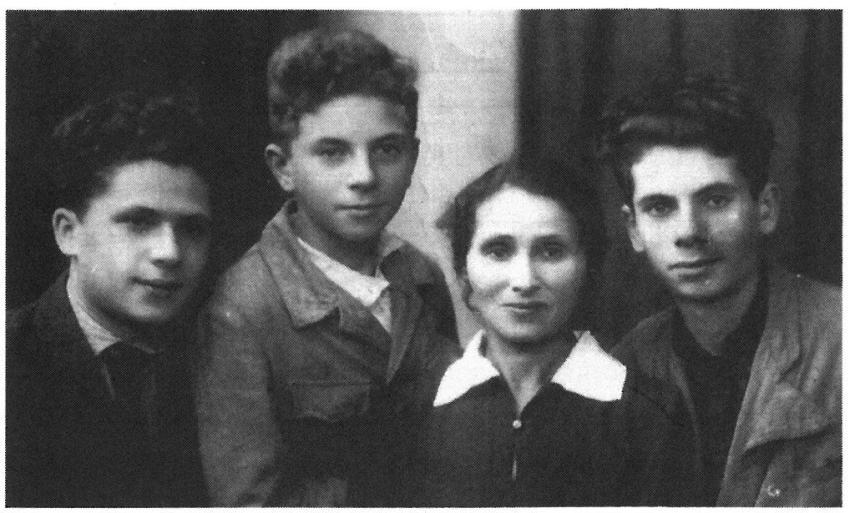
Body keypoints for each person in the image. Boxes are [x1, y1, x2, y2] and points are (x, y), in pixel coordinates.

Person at [195, 28, 459, 507]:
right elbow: (246, 501)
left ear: (413, 156)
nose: (364, 177)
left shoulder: (421, 278)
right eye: (333, 152)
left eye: (387, 149)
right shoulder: (242, 311)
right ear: (283, 168)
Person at [597, 74, 841, 506]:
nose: (689, 232)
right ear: (633, 229)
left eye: (715, 200)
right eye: (659, 207)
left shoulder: (845, 342)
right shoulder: (625, 368)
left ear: (765, 209)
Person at [408, 156, 693, 506]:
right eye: (498, 251)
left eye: (551, 251)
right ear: (464, 273)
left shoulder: (648, 414)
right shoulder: (415, 409)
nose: (525, 281)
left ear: (587, 269)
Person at [6, 91, 219, 506]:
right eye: (139, 222)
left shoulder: (222, 353)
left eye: (192, 229)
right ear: (69, 232)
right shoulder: (9, 362)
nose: (170, 252)